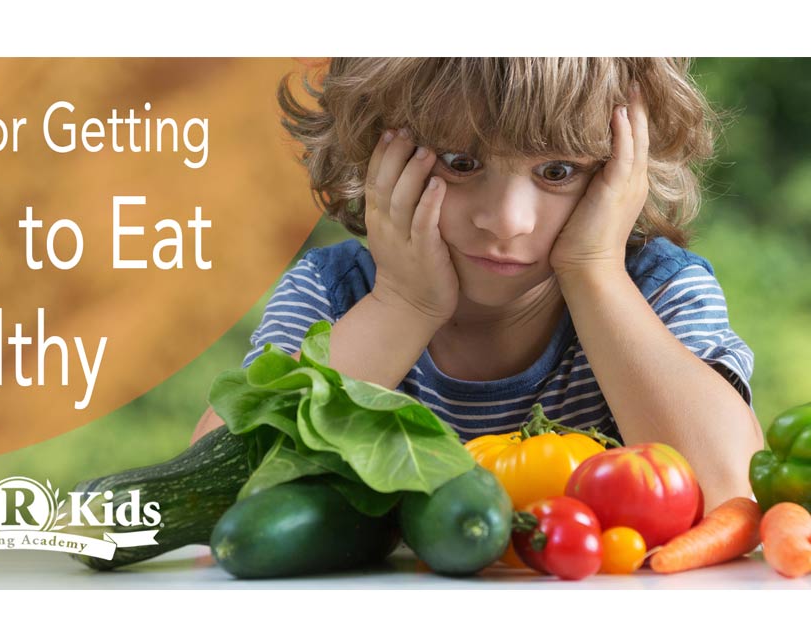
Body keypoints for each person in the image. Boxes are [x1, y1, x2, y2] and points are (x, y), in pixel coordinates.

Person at [191, 58, 763, 512]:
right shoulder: (332, 295)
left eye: (557, 171)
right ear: (373, 152)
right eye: (461, 162)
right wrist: (402, 306)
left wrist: (594, 270)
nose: (507, 220)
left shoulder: (656, 290)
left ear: (623, 170)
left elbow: (733, 492)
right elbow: (210, 490)